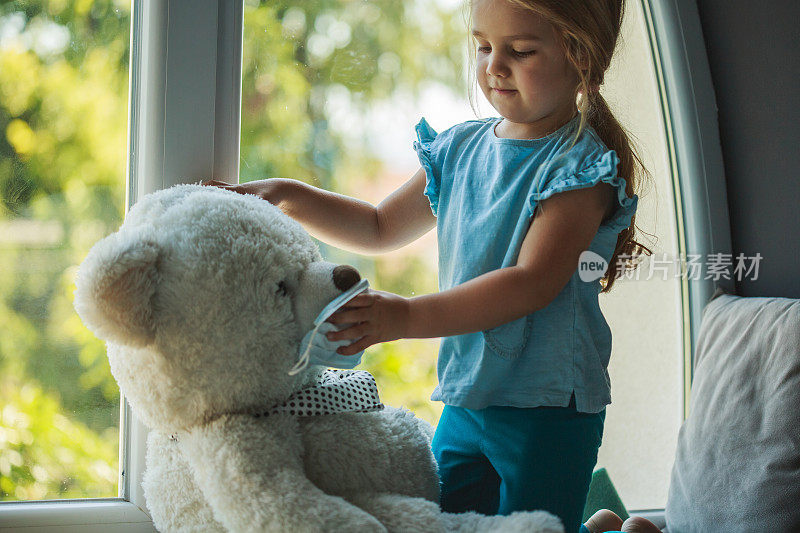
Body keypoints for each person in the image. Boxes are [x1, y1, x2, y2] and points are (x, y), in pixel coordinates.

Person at [205, 0, 657, 531]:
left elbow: (531, 283)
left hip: (548, 407)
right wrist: (287, 196)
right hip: (467, 396)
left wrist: (405, 317)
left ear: (579, 56)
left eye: (521, 50)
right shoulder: (460, 148)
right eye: (484, 45)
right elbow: (378, 226)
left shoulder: (581, 168)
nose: (494, 65)